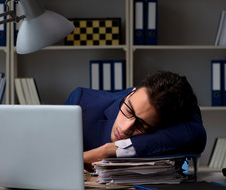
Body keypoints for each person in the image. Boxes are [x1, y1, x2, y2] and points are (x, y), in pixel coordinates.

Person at [64, 71, 206, 166]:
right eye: (129, 110)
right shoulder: (81, 104)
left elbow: (195, 135)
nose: (125, 128)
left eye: (142, 126)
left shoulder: (178, 124)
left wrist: (108, 150)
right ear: (130, 94)